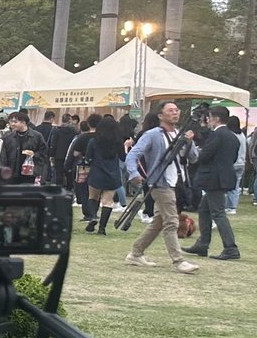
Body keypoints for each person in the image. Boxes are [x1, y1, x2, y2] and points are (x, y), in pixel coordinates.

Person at [126, 101, 199, 273]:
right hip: (160, 183)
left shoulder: (182, 134)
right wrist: (134, 174)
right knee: (172, 222)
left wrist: (190, 142)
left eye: (176, 110)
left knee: (158, 222)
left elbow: (194, 158)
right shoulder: (152, 135)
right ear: (161, 115)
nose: (175, 113)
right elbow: (133, 154)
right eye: (170, 110)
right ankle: (178, 260)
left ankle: (135, 253)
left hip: (178, 183)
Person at [183, 105, 241, 261]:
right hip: (223, 177)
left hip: (213, 179)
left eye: (209, 118)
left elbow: (204, 156)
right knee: (204, 210)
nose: (207, 121)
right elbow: (233, 158)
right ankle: (202, 243)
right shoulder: (232, 136)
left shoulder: (217, 135)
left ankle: (230, 248)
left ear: (215, 118)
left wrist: (194, 150)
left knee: (218, 213)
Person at [83, 113, 128, 235]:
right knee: (108, 201)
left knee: (93, 197)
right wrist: (126, 146)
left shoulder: (93, 141)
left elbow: (88, 158)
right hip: (112, 174)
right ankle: (102, 228)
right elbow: (124, 158)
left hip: (96, 172)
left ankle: (93, 216)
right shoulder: (118, 142)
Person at [0, 110, 48, 183]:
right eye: (11, 122)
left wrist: (34, 155)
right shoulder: (8, 137)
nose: (12, 124)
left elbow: (44, 153)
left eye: (15, 122)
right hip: (11, 174)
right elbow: (3, 157)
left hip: (29, 173)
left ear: (23, 122)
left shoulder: (37, 136)